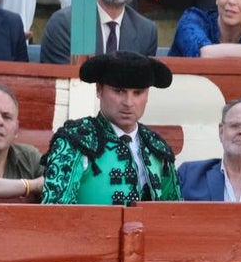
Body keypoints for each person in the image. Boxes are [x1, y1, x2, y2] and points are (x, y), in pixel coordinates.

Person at [41, 51, 180, 205]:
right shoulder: (75, 141)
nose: (128, 102)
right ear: (99, 90)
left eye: (138, 93)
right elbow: (56, 212)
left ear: (147, 95)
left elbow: (174, 214)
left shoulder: (157, 147)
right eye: (119, 91)